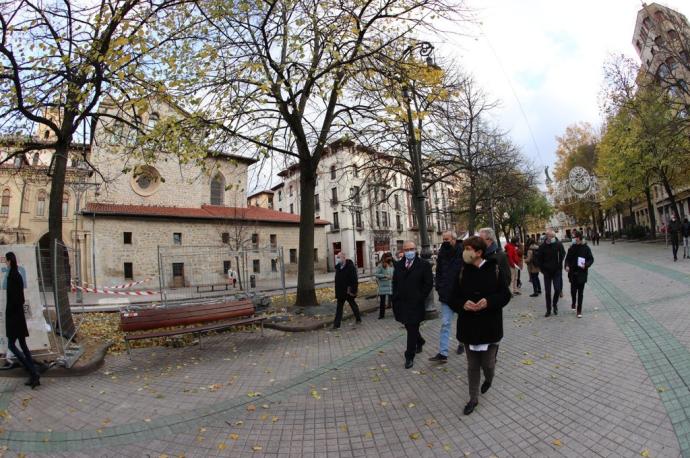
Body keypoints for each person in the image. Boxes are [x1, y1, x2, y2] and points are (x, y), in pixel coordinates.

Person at [453, 236, 512, 415]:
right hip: (469, 326)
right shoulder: (462, 270)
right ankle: (473, 398)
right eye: (464, 248)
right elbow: (452, 296)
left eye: (468, 248)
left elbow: (505, 295)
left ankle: (489, 379)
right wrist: (462, 304)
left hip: (490, 325)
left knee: (488, 364)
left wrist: (489, 301)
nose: (465, 252)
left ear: (478, 252)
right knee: (472, 365)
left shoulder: (494, 268)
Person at [392, 241, 433, 369]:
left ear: (416, 250)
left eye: (412, 249)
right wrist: (395, 297)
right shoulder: (398, 265)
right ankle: (420, 341)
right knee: (409, 327)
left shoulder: (424, 265)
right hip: (402, 303)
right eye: (407, 249)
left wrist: (420, 297)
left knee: (412, 328)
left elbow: (428, 283)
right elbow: (395, 282)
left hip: (416, 303)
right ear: (402, 251)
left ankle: (409, 356)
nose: (409, 251)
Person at [4, 252, 40, 389]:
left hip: (14, 318)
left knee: (12, 346)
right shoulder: (17, 275)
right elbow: (21, 298)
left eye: (6, 261)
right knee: (23, 346)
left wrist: (10, 314)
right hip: (18, 316)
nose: (5, 264)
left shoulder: (12, 276)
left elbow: (14, 299)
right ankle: (34, 374)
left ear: (9, 261)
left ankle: (33, 372)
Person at [429, 231, 464, 363]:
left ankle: (461, 343)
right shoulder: (442, 253)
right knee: (445, 323)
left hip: (460, 295)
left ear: (454, 240)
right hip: (446, 295)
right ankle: (443, 353)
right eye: (443, 239)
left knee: (461, 322)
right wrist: (439, 287)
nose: (444, 241)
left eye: (447, 239)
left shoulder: (463, 252)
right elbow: (438, 272)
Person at [535, 229, 566, 317]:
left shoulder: (558, 244)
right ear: (547, 237)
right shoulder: (542, 246)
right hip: (547, 272)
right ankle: (548, 309)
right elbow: (538, 259)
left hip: (556, 271)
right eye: (550, 236)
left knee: (557, 289)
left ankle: (554, 304)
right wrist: (542, 269)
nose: (551, 238)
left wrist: (560, 264)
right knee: (548, 292)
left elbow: (563, 253)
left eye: (553, 236)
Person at [565, 231, 594, 318]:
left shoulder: (586, 248)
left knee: (580, 293)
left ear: (580, 238)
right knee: (573, 291)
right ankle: (573, 302)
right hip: (572, 273)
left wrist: (586, 265)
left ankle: (579, 310)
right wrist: (566, 266)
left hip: (582, 273)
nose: (575, 239)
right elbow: (567, 259)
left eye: (576, 237)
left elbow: (591, 259)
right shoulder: (571, 248)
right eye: (574, 237)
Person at [332, 252, 362, 329]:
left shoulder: (350, 267)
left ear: (344, 258)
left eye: (339, 257)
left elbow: (354, 280)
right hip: (340, 292)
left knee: (353, 305)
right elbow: (337, 280)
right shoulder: (338, 267)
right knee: (339, 308)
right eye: (337, 257)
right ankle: (336, 325)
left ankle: (358, 318)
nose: (338, 259)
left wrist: (353, 290)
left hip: (348, 291)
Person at [374, 253, 394, 319]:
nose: (390, 259)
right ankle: (381, 315)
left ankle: (396, 313)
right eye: (388, 257)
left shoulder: (391, 264)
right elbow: (376, 274)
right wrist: (384, 276)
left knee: (394, 300)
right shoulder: (381, 265)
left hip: (391, 285)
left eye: (390, 257)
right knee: (382, 301)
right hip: (383, 286)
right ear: (385, 258)